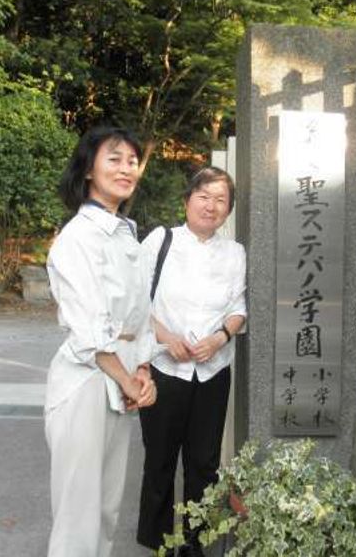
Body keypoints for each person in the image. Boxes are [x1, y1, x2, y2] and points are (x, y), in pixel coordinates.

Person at [44, 126, 157, 557]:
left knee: (107, 509)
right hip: (86, 383)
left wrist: (142, 370)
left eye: (132, 161)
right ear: (88, 168)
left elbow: (141, 314)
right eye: (114, 158)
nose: (126, 168)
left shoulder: (124, 233)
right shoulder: (77, 238)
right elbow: (89, 327)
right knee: (78, 515)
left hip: (121, 378)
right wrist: (128, 379)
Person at [136, 166, 247, 556]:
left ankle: (196, 544)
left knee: (204, 463)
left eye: (221, 200)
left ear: (228, 210)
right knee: (160, 460)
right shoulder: (160, 241)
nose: (211, 206)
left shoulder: (235, 253)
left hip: (213, 372)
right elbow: (135, 303)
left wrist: (221, 337)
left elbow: (238, 309)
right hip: (166, 370)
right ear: (187, 201)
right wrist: (166, 338)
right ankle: (158, 543)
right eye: (204, 196)